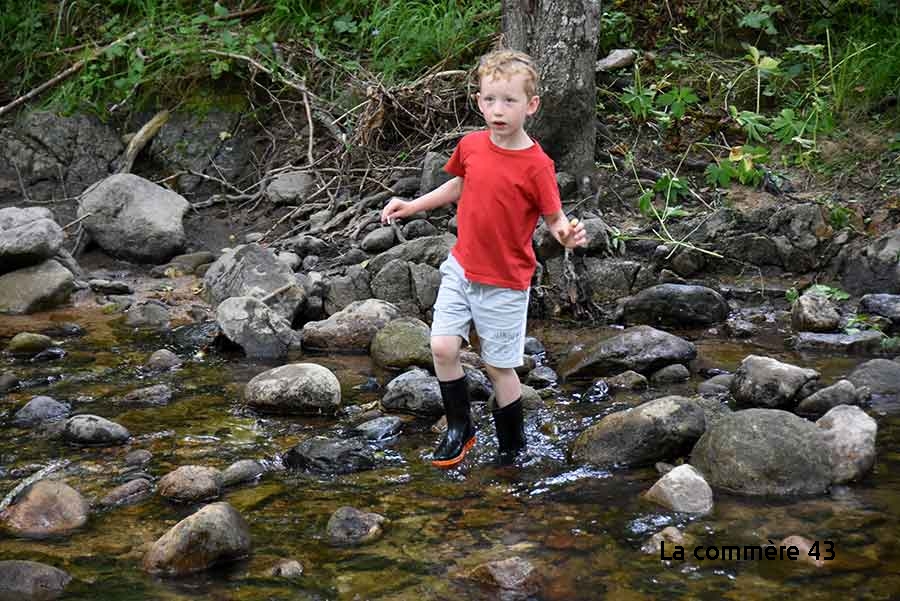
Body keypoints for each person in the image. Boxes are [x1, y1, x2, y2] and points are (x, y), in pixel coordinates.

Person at [380, 49, 588, 468]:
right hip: (461, 266)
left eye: (509, 101)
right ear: (479, 101)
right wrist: (412, 205)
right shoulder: (472, 145)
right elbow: (458, 185)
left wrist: (566, 234)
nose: (498, 110)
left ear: (530, 106)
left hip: (506, 281)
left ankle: (513, 449)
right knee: (441, 346)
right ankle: (460, 427)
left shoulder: (537, 165)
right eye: (490, 99)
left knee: (498, 368)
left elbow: (554, 218)